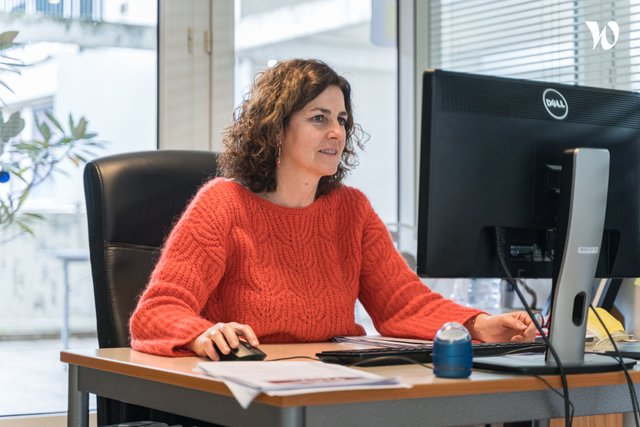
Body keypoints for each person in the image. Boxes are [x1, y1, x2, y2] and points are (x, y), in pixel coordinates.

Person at [130, 59, 536, 360]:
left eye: (342, 119)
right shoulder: (223, 204)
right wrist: (202, 334)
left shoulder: (351, 210)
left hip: (336, 381)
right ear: (275, 128)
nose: (336, 132)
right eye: (318, 118)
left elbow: (403, 304)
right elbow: (157, 310)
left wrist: (480, 325)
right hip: (248, 393)